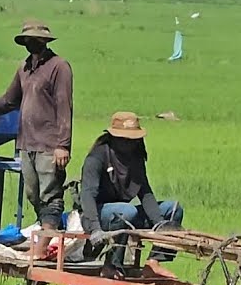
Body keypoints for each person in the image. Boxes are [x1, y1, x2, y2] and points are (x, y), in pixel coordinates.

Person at [0, 20, 72, 232]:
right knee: (33, 194)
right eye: (28, 39)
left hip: (49, 144)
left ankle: (46, 242)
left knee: (51, 196)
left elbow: (64, 106)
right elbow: (8, 101)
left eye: (35, 38)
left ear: (45, 40)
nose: (31, 42)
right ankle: (49, 234)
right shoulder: (24, 68)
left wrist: (62, 144)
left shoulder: (59, 67)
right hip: (27, 143)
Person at [78, 112, 184, 274]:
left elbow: (145, 192)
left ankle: (154, 261)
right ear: (114, 138)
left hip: (126, 214)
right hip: (97, 214)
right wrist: (95, 229)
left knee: (173, 208)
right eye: (126, 139)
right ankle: (111, 265)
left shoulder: (136, 157)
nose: (131, 143)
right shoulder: (97, 158)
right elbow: (87, 196)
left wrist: (159, 224)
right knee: (127, 212)